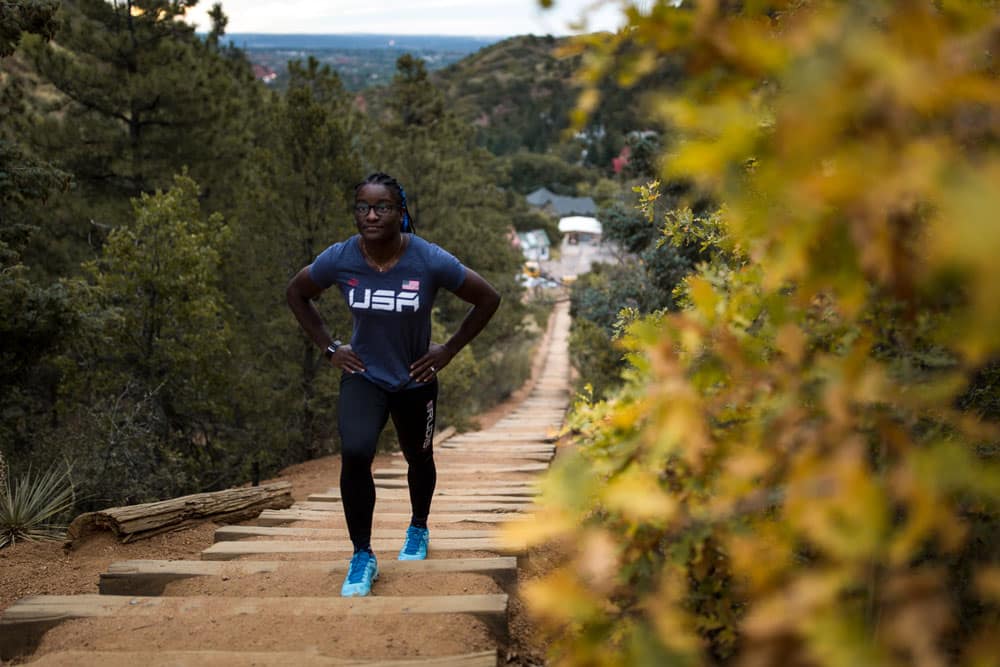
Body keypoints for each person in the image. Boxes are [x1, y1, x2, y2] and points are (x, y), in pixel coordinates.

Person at [286, 172, 501, 597]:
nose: (371, 215)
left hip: (415, 378)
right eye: (363, 207)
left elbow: (487, 297)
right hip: (363, 376)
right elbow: (297, 293)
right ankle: (362, 555)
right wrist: (331, 349)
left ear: (400, 212)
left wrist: (449, 350)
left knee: (418, 457)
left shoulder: (428, 258)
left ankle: (418, 526)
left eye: (382, 207)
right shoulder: (341, 257)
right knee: (355, 452)